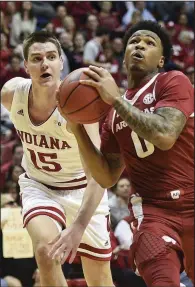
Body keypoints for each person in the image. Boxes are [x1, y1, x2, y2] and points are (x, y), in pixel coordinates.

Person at [62, 21, 194, 286]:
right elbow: (107, 176)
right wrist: (77, 130)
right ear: (123, 57)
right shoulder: (111, 115)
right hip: (153, 212)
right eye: (134, 42)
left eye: (149, 43)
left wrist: (117, 100)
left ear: (161, 61)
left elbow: (165, 135)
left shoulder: (172, 81)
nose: (140, 46)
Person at [1, 31, 114, 287]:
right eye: (37, 58)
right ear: (26, 65)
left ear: (61, 63)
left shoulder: (80, 105)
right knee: (45, 251)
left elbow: (98, 175)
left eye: (52, 57)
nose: (45, 64)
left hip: (83, 189)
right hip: (39, 186)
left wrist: (78, 227)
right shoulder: (11, 94)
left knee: (100, 280)